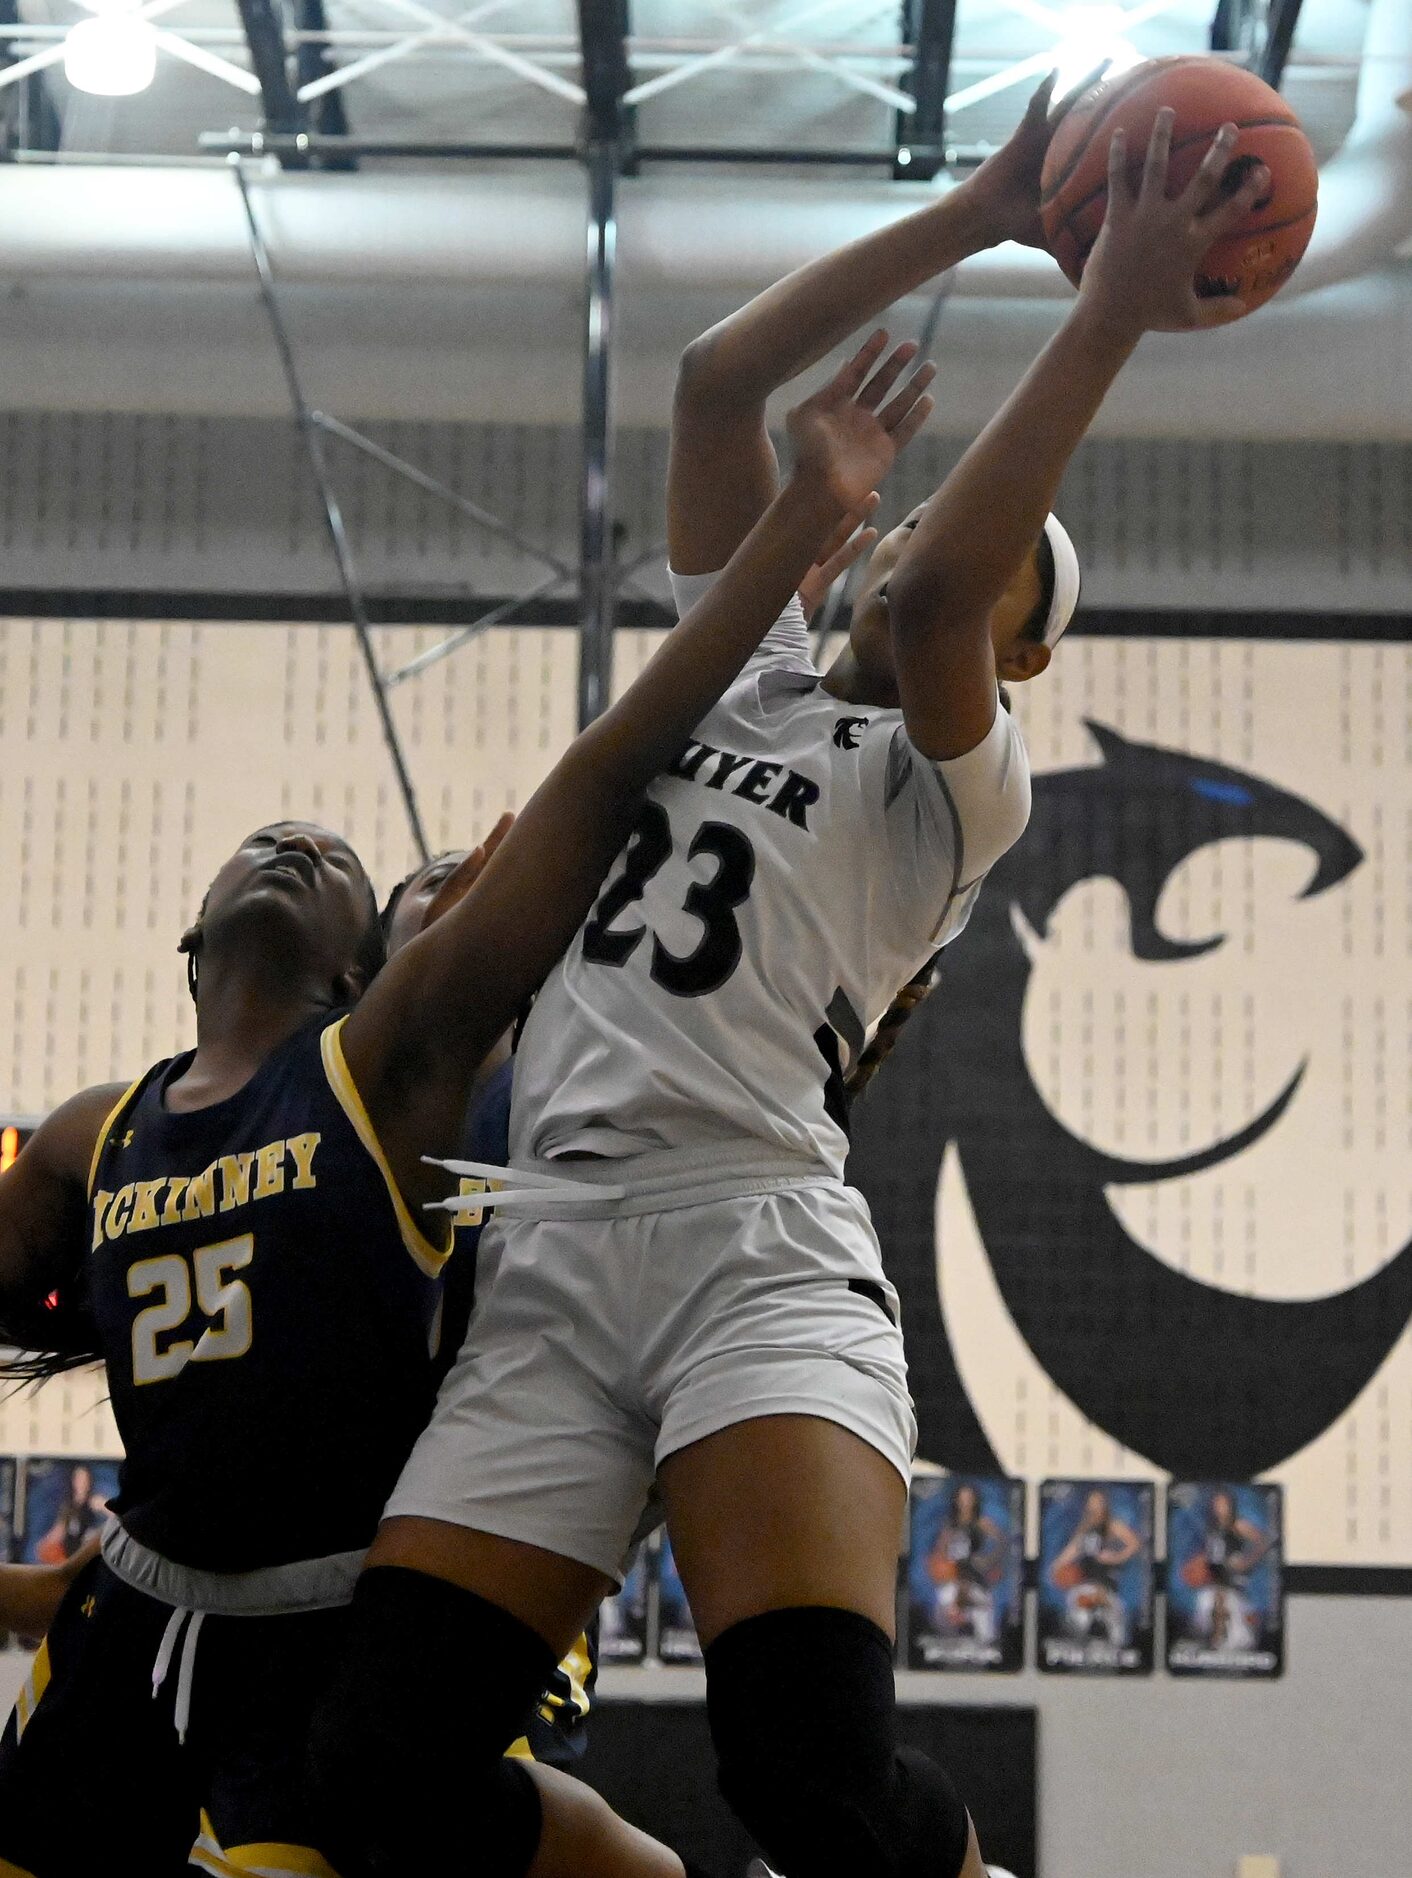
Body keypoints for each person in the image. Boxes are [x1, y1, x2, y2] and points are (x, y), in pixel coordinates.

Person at [308, 91, 1271, 1878]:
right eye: (918, 540)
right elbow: (711, 382)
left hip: (753, 1249)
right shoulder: (741, 661)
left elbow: (932, 611)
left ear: (1023, 652)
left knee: (807, 1778)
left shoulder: (956, 793)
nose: (920, 560)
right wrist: (979, 206)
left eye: (987, 582)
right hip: (553, 1251)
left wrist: (1112, 309)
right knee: (372, 1770)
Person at [0, 333, 929, 1878]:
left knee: (381, 1802)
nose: (300, 843)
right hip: (150, 1597)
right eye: (271, 838)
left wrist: (779, 546)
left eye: (338, 856)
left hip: (348, 1602)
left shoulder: (390, 1065)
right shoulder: (103, 1124)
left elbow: (605, 777)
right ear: (187, 935)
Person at [1049, 1489, 1140, 1645]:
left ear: (1104, 1505)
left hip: (1106, 1578)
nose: (1095, 1506)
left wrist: (1116, 1557)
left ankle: (1114, 1639)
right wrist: (1057, 1566)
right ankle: (1083, 1638)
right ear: (1087, 1505)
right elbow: (1073, 1549)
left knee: (1113, 1625)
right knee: (1081, 1608)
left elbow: (1135, 1543)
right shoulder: (1084, 1528)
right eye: (1092, 1502)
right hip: (1085, 1579)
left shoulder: (1112, 1524)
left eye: (1098, 1502)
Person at [926, 1483, 1004, 1645]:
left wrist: (988, 1560)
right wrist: (943, 1562)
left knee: (983, 1618)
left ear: (975, 1500)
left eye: (969, 1498)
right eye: (962, 1498)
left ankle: (985, 1649)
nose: (965, 1502)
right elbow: (940, 1550)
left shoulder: (982, 1522)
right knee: (946, 1608)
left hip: (975, 1577)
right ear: (956, 1500)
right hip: (953, 1576)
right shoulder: (949, 1525)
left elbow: (1002, 1543)